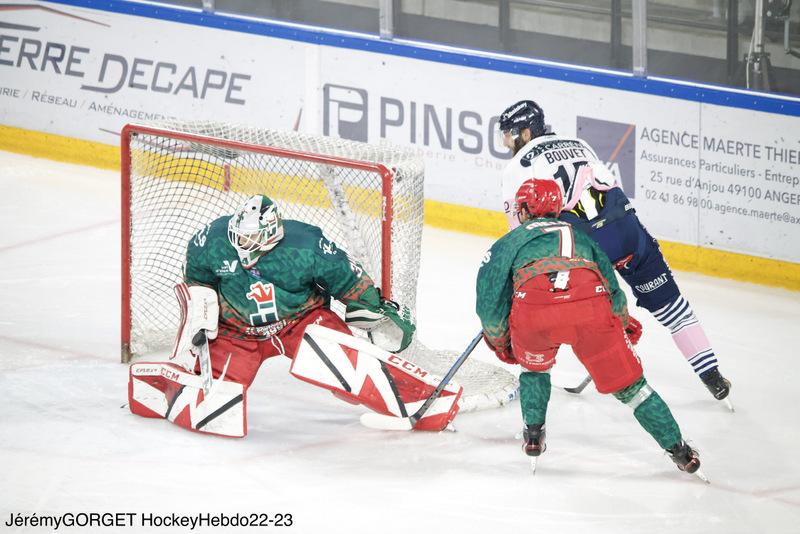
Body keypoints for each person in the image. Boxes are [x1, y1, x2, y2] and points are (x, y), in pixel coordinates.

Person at [128, 195, 462, 436]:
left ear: (272, 233)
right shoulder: (211, 240)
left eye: (251, 237)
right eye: (239, 236)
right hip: (236, 332)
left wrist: (370, 305)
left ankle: (423, 398)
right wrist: (201, 315)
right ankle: (177, 384)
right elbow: (197, 280)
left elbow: (348, 278)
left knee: (352, 373)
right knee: (216, 400)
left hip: (300, 322)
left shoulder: (307, 244)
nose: (243, 243)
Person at [497, 99, 731, 404]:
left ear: (526, 133)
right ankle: (712, 375)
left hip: (585, 245)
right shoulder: (579, 143)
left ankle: (533, 376)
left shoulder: (517, 166)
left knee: (542, 307)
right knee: (672, 306)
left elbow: (522, 232)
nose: (506, 143)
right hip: (628, 231)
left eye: (508, 135)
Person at [476, 178, 705, 478]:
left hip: (535, 311)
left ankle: (533, 435)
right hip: (592, 309)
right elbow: (613, 290)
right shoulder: (583, 237)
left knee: (534, 369)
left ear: (524, 210)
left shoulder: (509, 242)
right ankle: (680, 451)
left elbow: (489, 301)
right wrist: (622, 323)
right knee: (634, 390)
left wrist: (501, 340)